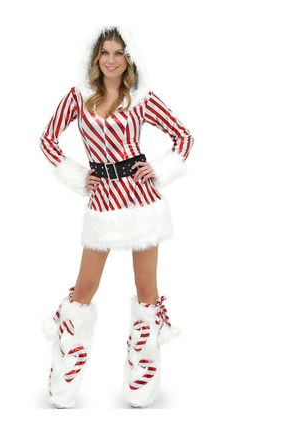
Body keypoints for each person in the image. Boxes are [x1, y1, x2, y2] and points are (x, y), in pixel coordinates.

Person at [39, 25, 194, 408]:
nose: (111, 59)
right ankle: (64, 380)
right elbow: (47, 140)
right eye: (105, 52)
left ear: (129, 59)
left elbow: (183, 137)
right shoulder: (78, 98)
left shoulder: (141, 99)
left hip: (142, 200)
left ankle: (142, 382)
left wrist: (158, 170)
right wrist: (79, 176)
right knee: (83, 291)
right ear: (96, 57)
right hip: (103, 201)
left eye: (119, 53)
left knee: (146, 293)